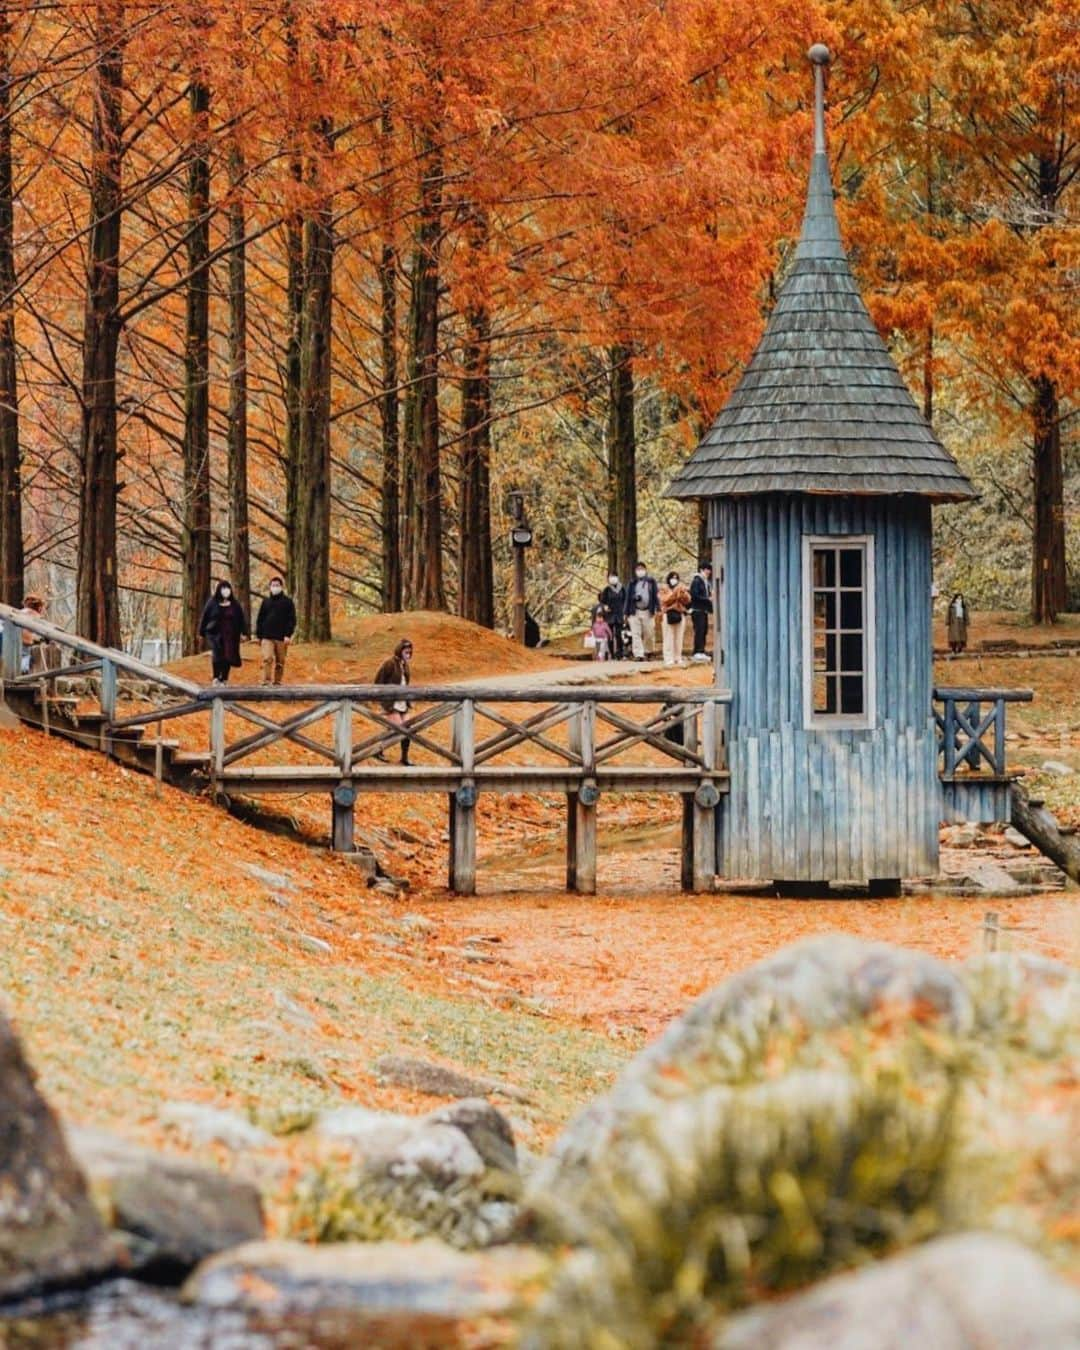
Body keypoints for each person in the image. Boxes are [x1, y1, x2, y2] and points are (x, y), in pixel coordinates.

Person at [198, 580, 248, 685]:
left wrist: (244, 632)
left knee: (228, 655)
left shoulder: (235, 604)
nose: (226, 591)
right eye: (223, 588)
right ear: (219, 590)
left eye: (228, 588)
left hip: (230, 634)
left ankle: (224, 678)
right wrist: (201, 632)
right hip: (214, 633)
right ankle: (216, 677)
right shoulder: (212, 602)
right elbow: (205, 617)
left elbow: (241, 619)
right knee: (217, 654)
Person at [373, 637, 413, 764]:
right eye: (406, 652)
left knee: (408, 728)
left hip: (403, 702)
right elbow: (378, 681)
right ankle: (378, 749)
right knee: (398, 728)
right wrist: (384, 699)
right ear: (400, 651)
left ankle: (404, 757)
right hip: (391, 703)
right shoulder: (389, 663)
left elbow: (405, 683)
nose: (408, 655)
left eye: (410, 652)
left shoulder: (405, 666)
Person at [255, 576, 297, 686]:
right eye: (273, 585)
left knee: (280, 662)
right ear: (270, 587)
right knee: (267, 658)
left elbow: (291, 620)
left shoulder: (288, 602)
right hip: (267, 636)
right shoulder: (266, 602)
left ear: (281, 587)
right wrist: (259, 635)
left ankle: (277, 682)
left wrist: (288, 635)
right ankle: (266, 681)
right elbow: (260, 619)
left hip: (281, 637)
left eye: (277, 585)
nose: (275, 587)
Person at [624, 561, 659, 660]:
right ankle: (638, 654)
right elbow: (627, 598)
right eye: (638, 569)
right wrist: (625, 613)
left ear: (645, 570)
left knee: (649, 632)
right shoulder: (632, 583)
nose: (640, 571)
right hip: (634, 611)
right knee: (636, 633)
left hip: (648, 610)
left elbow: (656, 595)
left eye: (642, 569)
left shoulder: (651, 582)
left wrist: (658, 608)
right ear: (635, 571)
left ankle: (649, 651)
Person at [659, 571, 691, 667]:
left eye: (676, 578)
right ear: (669, 579)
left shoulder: (681, 588)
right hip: (668, 614)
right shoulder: (664, 589)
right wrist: (675, 594)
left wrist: (683, 593)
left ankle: (678, 657)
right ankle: (668, 658)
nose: (674, 580)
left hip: (680, 614)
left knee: (679, 637)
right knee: (668, 637)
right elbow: (665, 600)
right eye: (672, 578)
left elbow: (688, 600)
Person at [688, 561, 713, 663]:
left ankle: (701, 651)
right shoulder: (697, 581)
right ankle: (697, 651)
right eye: (707, 569)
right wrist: (707, 599)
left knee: (704, 630)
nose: (709, 572)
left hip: (704, 610)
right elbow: (695, 595)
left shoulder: (705, 581)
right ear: (701, 570)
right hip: (697, 610)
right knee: (699, 630)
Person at [598, 574, 627, 659]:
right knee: (610, 635)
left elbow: (625, 601)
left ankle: (620, 653)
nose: (613, 579)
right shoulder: (607, 589)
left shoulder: (622, 589)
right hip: (609, 615)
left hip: (619, 614)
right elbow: (602, 601)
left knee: (619, 634)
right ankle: (612, 653)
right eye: (611, 577)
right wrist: (605, 606)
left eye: (614, 577)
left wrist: (625, 612)